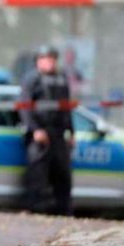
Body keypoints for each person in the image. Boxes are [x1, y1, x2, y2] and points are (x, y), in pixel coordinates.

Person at [20, 46, 75, 216]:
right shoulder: (32, 79)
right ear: (39, 60)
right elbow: (25, 107)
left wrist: (71, 131)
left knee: (63, 175)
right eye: (46, 58)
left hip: (58, 134)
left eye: (53, 58)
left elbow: (66, 107)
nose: (50, 62)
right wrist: (35, 129)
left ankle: (63, 212)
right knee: (37, 174)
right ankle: (36, 211)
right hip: (39, 135)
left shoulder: (61, 79)